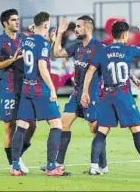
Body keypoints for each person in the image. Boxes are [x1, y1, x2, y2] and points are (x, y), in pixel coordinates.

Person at [81, 21, 140, 175]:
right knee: (136, 128)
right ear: (126, 35)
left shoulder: (102, 51)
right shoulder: (128, 50)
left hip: (106, 95)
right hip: (123, 95)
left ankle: (94, 167)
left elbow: (90, 72)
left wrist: (85, 93)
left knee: (101, 132)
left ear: (111, 34)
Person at [11, 11, 71, 177]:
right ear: (46, 25)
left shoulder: (26, 40)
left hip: (26, 87)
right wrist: (52, 89)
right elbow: (43, 67)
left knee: (22, 125)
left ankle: (15, 166)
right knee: (56, 124)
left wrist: (50, 40)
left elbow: (32, 49)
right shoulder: (42, 44)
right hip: (40, 89)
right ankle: (52, 167)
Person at [49, 15, 109, 173]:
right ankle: (59, 164)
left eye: (78, 26)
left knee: (95, 129)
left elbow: (93, 71)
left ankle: (102, 166)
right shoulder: (76, 46)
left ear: (88, 28)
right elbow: (56, 53)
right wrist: (60, 33)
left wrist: (86, 93)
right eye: (75, 27)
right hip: (76, 93)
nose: (75, 29)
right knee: (63, 125)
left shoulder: (98, 47)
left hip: (92, 94)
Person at [0, 9, 36, 173]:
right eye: (13, 20)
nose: (17, 22)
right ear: (5, 23)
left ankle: (17, 156)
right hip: (8, 88)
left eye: (18, 19)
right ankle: (13, 164)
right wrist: (12, 59)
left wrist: (36, 32)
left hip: (25, 87)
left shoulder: (24, 39)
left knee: (31, 125)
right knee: (10, 125)